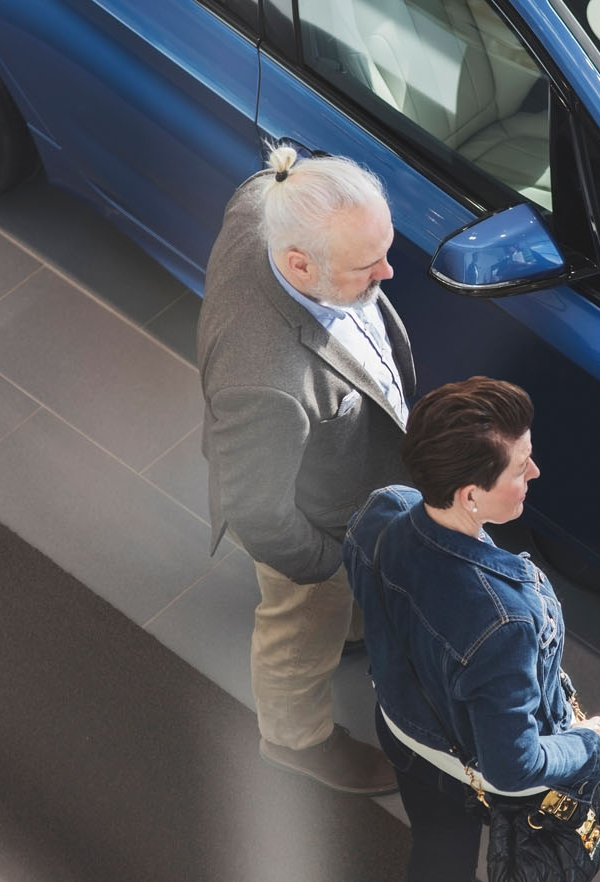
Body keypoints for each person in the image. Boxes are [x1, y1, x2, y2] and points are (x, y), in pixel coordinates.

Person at [344, 377, 600, 882]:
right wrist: (588, 746)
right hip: (482, 768)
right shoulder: (503, 621)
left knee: (438, 858)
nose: (535, 471)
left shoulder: (382, 509)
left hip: (408, 738)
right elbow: (514, 767)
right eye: (521, 467)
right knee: (553, 869)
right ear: (471, 495)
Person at [197, 146, 413, 794]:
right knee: (299, 628)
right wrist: (324, 562)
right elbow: (258, 512)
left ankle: (349, 628)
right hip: (314, 519)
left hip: (344, 478)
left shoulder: (269, 198)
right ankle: (296, 741)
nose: (388, 271)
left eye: (385, 247)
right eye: (365, 266)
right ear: (299, 264)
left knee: (340, 602)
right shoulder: (265, 381)